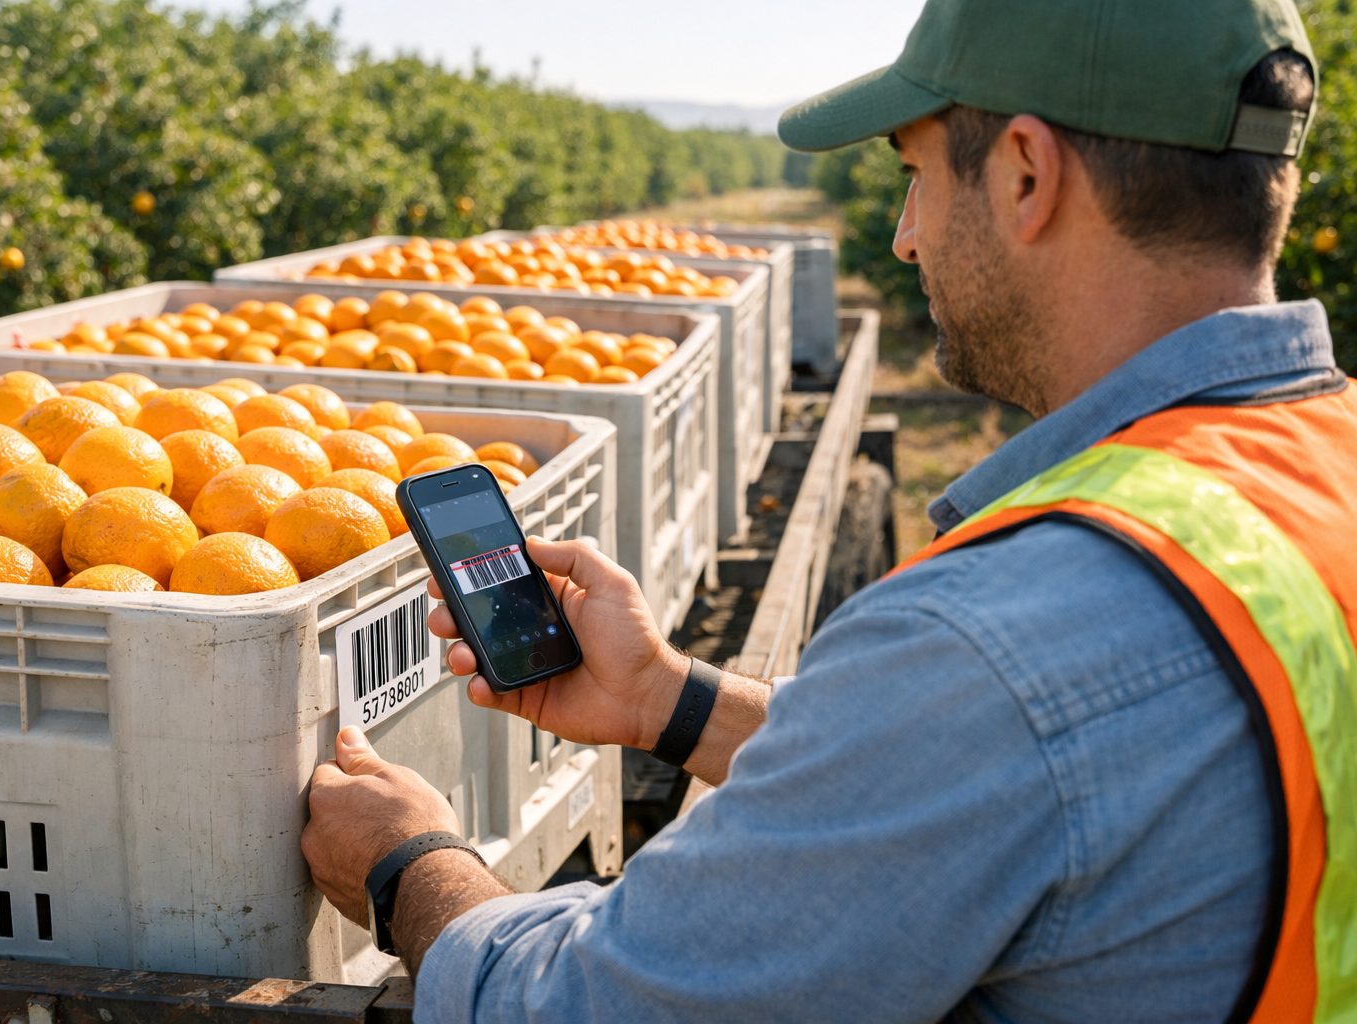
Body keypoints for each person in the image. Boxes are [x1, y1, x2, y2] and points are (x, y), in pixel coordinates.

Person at [300, 0, 1357, 1019]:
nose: (902, 236)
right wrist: (671, 699)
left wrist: (412, 866)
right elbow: (999, 778)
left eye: (917, 177)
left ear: (1029, 174)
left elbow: (590, 1004)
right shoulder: (1324, 466)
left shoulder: (990, 645)